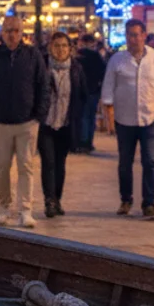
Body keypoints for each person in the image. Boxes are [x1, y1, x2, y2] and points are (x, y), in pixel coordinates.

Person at [0, 17, 50, 228]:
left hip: (27, 122)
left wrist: (39, 115)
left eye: (16, 30)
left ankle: (25, 210)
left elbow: (43, 85)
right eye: (8, 30)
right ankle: (4, 207)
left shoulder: (32, 55)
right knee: (2, 168)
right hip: (0, 123)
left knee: (26, 167)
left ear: (22, 32)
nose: (12, 35)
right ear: (2, 33)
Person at [101, 19, 154, 218]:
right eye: (129, 35)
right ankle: (126, 199)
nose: (132, 39)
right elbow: (108, 86)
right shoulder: (117, 60)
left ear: (144, 35)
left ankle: (149, 203)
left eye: (135, 34)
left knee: (150, 161)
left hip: (151, 118)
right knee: (125, 162)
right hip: (125, 119)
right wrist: (109, 110)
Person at [40, 32, 88, 218]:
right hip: (46, 123)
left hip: (66, 123)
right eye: (56, 45)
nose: (60, 49)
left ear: (70, 49)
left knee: (60, 163)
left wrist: (76, 115)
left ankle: (57, 199)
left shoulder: (76, 69)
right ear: (50, 48)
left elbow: (83, 94)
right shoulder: (43, 67)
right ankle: (49, 201)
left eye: (64, 46)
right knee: (48, 162)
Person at [74, 32, 107, 154]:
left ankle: (82, 142)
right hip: (93, 90)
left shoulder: (78, 57)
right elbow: (103, 72)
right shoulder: (96, 57)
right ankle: (88, 142)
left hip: (80, 91)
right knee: (90, 116)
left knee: (82, 116)